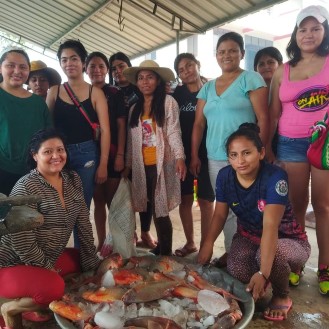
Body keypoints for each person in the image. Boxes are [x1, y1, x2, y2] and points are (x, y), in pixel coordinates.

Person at [198, 123, 310, 321]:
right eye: (233, 155)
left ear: (261, 152)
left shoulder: (275, 178)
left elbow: (270, 227)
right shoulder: (225, 176)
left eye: (246, 153)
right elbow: (220, 215)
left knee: (272, 255)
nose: (240, 161)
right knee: (236, 269)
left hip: (288, 240)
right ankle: (264, 277)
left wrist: (263, 272)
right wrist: (206, 246)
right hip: (248, 237)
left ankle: (281, 294)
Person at [0, 128, 100, 329]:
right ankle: (11, 308)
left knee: (84, 262)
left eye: (60, 150)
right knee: (54, 287)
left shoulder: (72, 179)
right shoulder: (25, 187)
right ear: (34, 155)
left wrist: (92, 264)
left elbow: (82, 221)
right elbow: (23, 242)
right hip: (10, 263)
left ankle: (38, 302)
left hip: (48, 255)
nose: (56, 156)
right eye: (47, 152)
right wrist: (48, 269)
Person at [191, 31, 269, 266]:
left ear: (242, 54)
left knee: (248, 209)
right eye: (222, 52)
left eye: (233, 50)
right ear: (216, 56)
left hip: (245, 158)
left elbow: (264, 118)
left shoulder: (251, 79)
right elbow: (198, 123)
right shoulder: (207, 87)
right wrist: (195, 154)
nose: (227, 55)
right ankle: (232, 255)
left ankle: (254, 259)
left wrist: (260, 152)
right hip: (215, 157)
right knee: (225, 208)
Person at [268, 5, 329, 295]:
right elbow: (272, 113)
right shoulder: (284, 70)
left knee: (324, 207)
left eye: (315, 28)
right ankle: (298, 261)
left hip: (324, 144)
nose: (309, 34)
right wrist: (267, 148)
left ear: (324, 30)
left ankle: (326, 265)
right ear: (295, 34)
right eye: (303, 29)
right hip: (289, 145)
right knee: (294, 208)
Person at [123, 60, 186, 255]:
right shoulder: (135, 108)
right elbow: (131, 141)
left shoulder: (168, 103)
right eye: (141, 78)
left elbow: (174, 132)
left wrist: (179, 157)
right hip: (141, 165)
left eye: (150, 77)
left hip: (162, 163)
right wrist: (127, 165)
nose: (145, 82)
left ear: (158, 81)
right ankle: (159, 246)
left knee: (161, 209)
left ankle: (165, 252)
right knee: (145, 203)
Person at [46, 40, 110, 210]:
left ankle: (80, 239)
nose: (69, 64)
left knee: (81, 208)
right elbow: (47, 129)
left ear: (83, 63)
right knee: (59, 207)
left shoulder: (95, 93)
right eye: (64, 60)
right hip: (58, 155)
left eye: (74, 59)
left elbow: (105, 130)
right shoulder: (53, 92)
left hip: (87, 156)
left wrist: (103, 164)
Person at [109, 52, 157, 249]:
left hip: (144, 152)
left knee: (146, 196)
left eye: (121, 66)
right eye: (113, 68)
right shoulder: (108, 92)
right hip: (118, 149)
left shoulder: (140, 91)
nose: (117, 71)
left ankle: (145, 231)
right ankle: (130, 232)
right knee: (125, 194)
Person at [172, 53, 214, 256]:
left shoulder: (212, 89)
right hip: (183, 155)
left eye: (189, 65)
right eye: (181, 69)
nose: (186, 71)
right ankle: (190, 243)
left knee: (207, 201)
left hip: (209, 154)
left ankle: (206, 245)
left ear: (198, 64)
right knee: (185, 200)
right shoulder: (176, 95)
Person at [85, 51, 126, 250]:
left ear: (107, 70)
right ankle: (101, 242)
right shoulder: (81, 92)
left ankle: (118, 242)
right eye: (92, 66)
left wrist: (120, 155)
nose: (97, 70)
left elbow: (121, 126)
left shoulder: (115, 94)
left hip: (112, 154)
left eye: (101, 66)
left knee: (114, 202)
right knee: (98, 201)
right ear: (86, 69)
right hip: (90, 154)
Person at [0, 48, 51, 196]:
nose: (17, 71)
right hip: (2, 169)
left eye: (23, 67)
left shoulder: (38, 103)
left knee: (26, 216)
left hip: (31, 174)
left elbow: (47, 137)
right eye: (10, 65)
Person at [254, 47, 283, 156]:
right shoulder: (251, 92)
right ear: (256, 69)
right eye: (261, 64)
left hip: (284, 140)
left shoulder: (287, 91)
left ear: (280, 65)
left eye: (270, 62)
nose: (266, 67)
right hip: (258, 140)